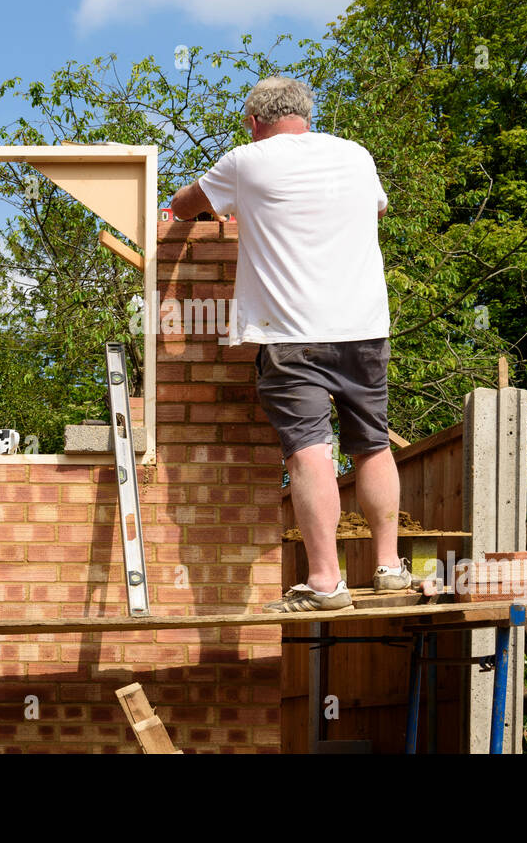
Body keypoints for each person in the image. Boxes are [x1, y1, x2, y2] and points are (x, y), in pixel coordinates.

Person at [169, 76, 410, 612]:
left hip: (291, 334)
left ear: (253, 123)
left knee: (309, 450)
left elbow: (186, 207)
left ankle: (326, 583)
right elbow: (376, 210)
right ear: (307, 112)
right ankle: (390, 567)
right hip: (364, 327)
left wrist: (192, 208)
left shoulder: (246, 161)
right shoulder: (355, 155)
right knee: (371, 444)